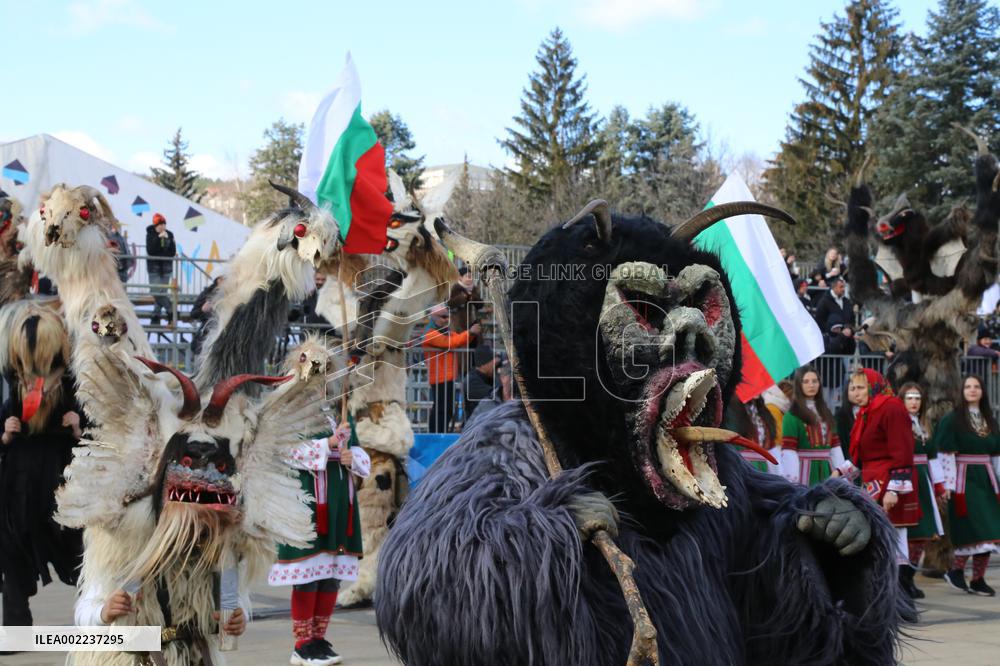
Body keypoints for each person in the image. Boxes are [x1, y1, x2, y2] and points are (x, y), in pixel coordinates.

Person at [0, 315, 85, 628]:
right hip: (18, 483)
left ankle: (98, 618)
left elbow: (93, 433)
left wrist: (78, 427)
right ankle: (15, 626)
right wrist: (6, 434)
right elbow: (5, 426)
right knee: (11, 551)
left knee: (76, 551)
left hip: (59, 476)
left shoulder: (70, 382)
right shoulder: (15, 379)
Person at [269, 417, 371, 665]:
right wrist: (328, 443)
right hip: (308, 504)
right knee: (308, 576)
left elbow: (357, 451)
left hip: (339, 505)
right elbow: (284, 452)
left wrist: (353, 459)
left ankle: (318, 639)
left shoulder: (339, 414)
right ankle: (303, 644)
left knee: (330, 576)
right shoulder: (295, 410)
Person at [834, 369, 919, 599]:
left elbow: (902, 450)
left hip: (889, 483)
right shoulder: (866, 411)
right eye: (853, 388)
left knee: (895, 536)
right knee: (876, 535)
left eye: (861, 387)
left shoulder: (890, 407)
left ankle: (899, 593)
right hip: (873, 482)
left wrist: (894, 489)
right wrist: (839, 472)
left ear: (874, 387)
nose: (856, 392)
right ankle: (882, 591)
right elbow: (862, 457)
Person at [933, 375, 1000, 596]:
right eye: (968, 387)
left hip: (987, 479)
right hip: (964, 479)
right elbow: (945, 454)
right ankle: (956, 570)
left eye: (977, 386)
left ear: (983, 391)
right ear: (961, 391)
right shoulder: (952, 419)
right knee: (976, 529)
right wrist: (948, 485)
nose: (972, 390)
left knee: (992, 531)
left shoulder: (989, 419)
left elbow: (996, 454)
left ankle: (976, 578)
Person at [899, 382, 946, 600]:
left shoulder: (925, 426)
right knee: (907, 533)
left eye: (917, 398)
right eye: (909, 397)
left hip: (923, 480)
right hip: (904, 479)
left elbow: (933, 458)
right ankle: (901, 580)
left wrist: (939, 485)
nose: (914, 402)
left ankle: (909, 579)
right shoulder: (898, 424)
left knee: (923, 534)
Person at [780, 366, 844, 485]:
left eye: (815, 381)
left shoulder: (826, 413)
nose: (811, 385)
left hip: (827, 469)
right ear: (799, 385)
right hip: (804, 471)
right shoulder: (792, 415)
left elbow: (835, 447)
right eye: (806, 381)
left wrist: (841, 474)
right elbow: (789, 451)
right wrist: (792, 481)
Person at [421, 305, 479, 433]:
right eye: (443, 317)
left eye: (448, 316)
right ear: (433, 318)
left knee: (446, 408)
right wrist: (470, 332)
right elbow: (451, 343)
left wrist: (472, 334)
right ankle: (436, 433)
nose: (446, 319)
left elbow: (458, 340)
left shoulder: (445, 333)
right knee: (441, 408)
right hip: (439, 377)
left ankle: (440, 432)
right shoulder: (430, 334)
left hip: (448, 376)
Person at [145, 212, 176, 326]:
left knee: (162, 292)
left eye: (164, 224)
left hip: (166, 268)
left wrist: (169, 241)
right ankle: (171, 310)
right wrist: (159, 239)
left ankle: (155, 316)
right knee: (156, 292)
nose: (162, 227)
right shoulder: (150, 234)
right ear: (155, 226)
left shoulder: (170, 235)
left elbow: (172, 252)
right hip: (154, 268)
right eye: (159, 225)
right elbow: (151, 250)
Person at [463, 343, 501, 420]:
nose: (495, 366)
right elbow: (497, 395)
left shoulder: (487, 376)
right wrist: (499, 373)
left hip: (487, 421)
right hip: (476, 424)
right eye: (493, 363)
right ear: (484, 364)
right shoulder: (472, 381)